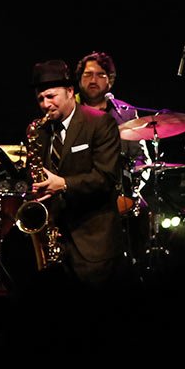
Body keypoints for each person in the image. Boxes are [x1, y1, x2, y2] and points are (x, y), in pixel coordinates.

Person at [27, 59, 124, 285]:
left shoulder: (100, 123)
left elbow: (106, 178)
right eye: (40, 99)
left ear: (70, 91)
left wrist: (62, 183)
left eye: (51, 96)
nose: (45, 104)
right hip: (56, 241)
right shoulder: (38, 130)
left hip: (93, 243)